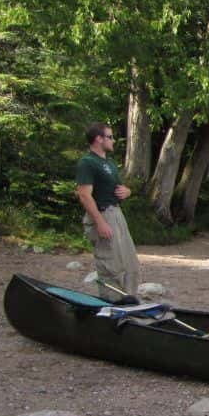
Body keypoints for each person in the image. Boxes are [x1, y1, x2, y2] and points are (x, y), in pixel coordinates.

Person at [75, 122, 140, 300]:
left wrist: (128, 192)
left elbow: (116, 188)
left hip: (117, 213)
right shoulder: (87, 163)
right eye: (110, 137)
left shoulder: (109, 162)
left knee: (130, 263)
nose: (113, 141)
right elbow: (84, 195)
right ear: (99, 139)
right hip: (102, 215)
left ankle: (129, 303)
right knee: (111, 266)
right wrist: (100, 222)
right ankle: (111, 305)